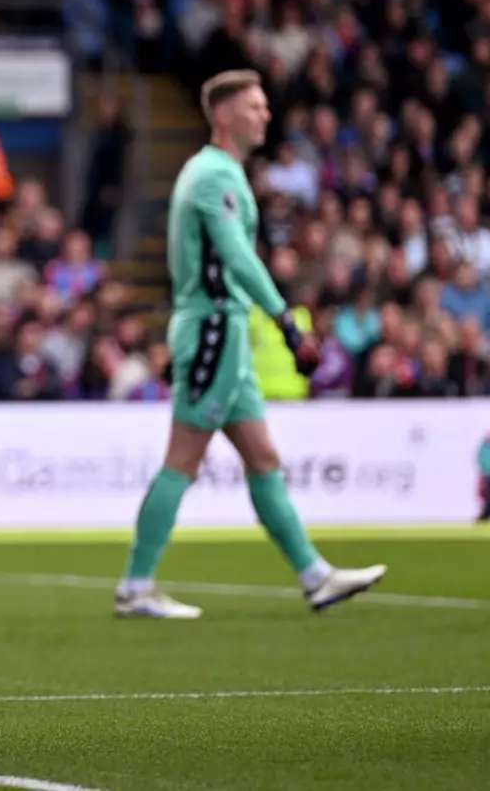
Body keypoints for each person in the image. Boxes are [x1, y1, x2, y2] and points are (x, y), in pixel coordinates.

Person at [115, 70, 387, 619]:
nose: (266, 115)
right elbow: (237, 258)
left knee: (264, 458)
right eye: (255, 106)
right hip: (214, 328)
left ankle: (315, 576)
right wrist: (288, 321)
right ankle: (136, 586)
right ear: (224, 115)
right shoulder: (215, 175)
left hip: (226, 333)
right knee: (184, 459)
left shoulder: (220, 173)